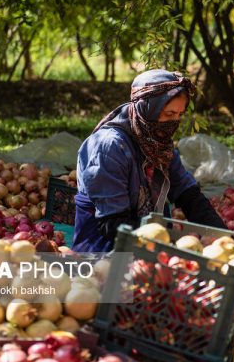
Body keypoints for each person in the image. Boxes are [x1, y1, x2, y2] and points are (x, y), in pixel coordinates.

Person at [73, 69, 225, 252]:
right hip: (106, 245)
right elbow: (113, 224)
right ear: (148, 107)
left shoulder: (158, 143)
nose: (174, 122)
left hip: (151, 238)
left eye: (179, 115)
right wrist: (163, 246)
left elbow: (187, 193)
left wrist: (223, 237)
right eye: (169, 114)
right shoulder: (110, 147)